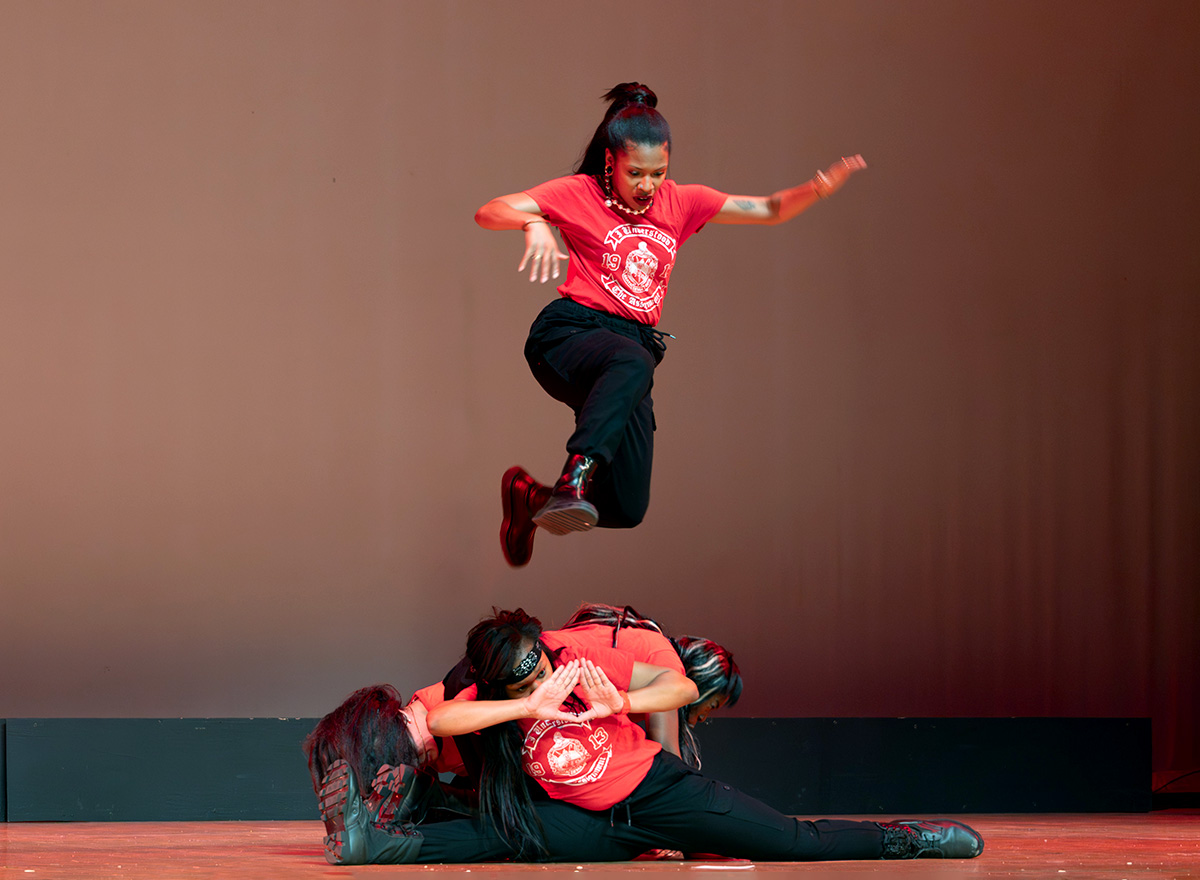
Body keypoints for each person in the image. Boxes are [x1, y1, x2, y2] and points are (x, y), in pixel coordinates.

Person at [478, 82, 866, 566]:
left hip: (629, 358)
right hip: (570, 336)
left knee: (627, 506)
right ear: (610, 163)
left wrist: (818, 188)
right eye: (634, 173)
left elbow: (769, 209)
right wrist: (534, 223)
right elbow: (491, 210)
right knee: (632, 359)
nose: (646, 185)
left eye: (657, 173)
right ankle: (572, 478)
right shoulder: (580, 193)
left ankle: (530, 499)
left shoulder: (682, 203)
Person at [418, 608, 984, 864]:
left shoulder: (576, 656)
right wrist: (525, 704)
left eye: (541, 669)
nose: (544, 681)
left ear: (543, 646)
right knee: (506, 836)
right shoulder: (495, 697)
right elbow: (443, 721)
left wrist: (623, 702)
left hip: (652, 793)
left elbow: (681, 688)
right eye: (524, 684)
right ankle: (395, 833)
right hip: (592, 825)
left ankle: (903, 838)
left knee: (791, 842)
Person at [559, 602, 742, 768]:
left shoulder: (648, 643)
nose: (703, 718)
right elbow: (670, 760)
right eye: (711, 706)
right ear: (703, 681)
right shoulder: (668, 665)